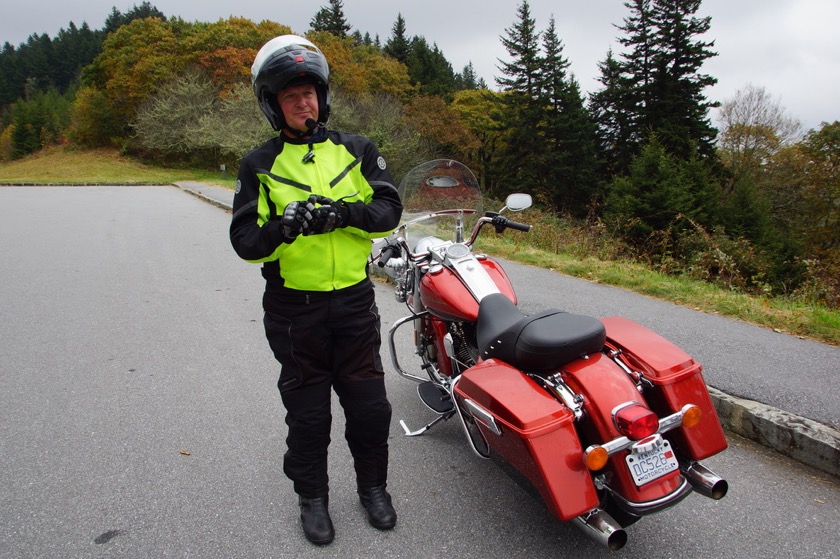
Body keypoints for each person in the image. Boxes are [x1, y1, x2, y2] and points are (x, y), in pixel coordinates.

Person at [229, 35, 403, 546]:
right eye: (290, 96)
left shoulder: (358, 149)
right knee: (308, 413)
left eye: (309, 92)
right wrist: (284, 228)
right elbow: (245, 242)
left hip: (353, 302)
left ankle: (374, 489)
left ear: (322, 97)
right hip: (294, 311)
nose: (302, 102)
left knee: (370, 406)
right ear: (272, 106)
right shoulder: (258, 164)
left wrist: (344, 213)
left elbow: (388, 210)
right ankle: (313, 499)